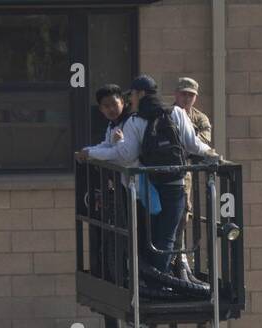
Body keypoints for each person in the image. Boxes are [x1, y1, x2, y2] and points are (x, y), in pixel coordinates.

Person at [77, 74, 216, 273]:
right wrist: (210, 153)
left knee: (149, 236)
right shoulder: (176, 112)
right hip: (175, 183)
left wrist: (103, 149)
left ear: (141, 94)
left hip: (150, 186)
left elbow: (126, 156)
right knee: (166, 236)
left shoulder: (135, 121)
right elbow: (193, 144)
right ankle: (162, 280)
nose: (130, 99)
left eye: (132, 94)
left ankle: (154, 280)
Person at [82, 84, 129, 283]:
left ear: (123, 102)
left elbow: (120, 154)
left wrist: (90, 153)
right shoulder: (113, 125)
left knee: (130, 230)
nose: (110, 109)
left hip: (135, 187)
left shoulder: (130, 122)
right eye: (105, 106)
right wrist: (86, 151)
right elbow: (107, 146)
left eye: (113, 104)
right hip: (122, 186)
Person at [173, 76, 212, 280]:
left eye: (191, 95)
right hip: (166, 172)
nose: (187, 98)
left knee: (182, 215)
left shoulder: (199, 118)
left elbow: (202, 142)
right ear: (176, 94)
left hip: (185, 173)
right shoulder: (167, 114)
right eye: (183, 94)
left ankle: (181, 261)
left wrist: (186, 142)